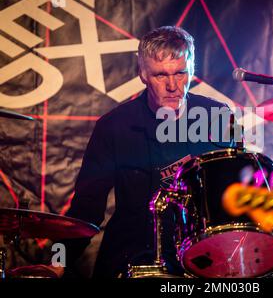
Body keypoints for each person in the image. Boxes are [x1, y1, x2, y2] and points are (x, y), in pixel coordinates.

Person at [10, 26, 233, 278]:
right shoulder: (114, 126)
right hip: (131, 255)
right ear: (143, 75)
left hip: (202, 258)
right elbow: (86, 207)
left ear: (192, 69)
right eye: (161, 75)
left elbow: (236, 193)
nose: (173, 85)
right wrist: (56, 261)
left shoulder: (217, 116)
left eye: (181, 73)